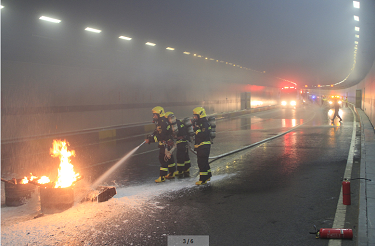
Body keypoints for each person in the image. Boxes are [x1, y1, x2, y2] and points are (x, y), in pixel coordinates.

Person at [145, 106, 176, 183]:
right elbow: (158, 131)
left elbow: (161, 136)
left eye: (155, 114)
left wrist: (150, 140)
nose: (154, 116)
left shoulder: (162, 122)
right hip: (168, 143)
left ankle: (162, 177)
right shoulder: (162, 121)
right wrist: (152, 134)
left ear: (160, 114)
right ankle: (172, 173)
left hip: (165, 144)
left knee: (163, 159)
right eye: (153, 115)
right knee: (169, 158)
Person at [164, 112, 191, 177]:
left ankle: (180, 171)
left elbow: (171, 133)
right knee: (185, 156)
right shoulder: (179, 122)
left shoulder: (173, 125)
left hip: (180, 142)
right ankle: (186, 169)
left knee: (180, 156)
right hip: (185, 140)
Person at [192, 107, 212, 185]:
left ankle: (203, 179)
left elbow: (203, 135)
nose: (194, 117)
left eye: (195, 116)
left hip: (204, 146)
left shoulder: (204, 123)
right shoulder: (201, 123)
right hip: (203, 146)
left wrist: (196, 129)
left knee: (201, 162)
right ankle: (208, 176)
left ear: (200, 115)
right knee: (205, 162)